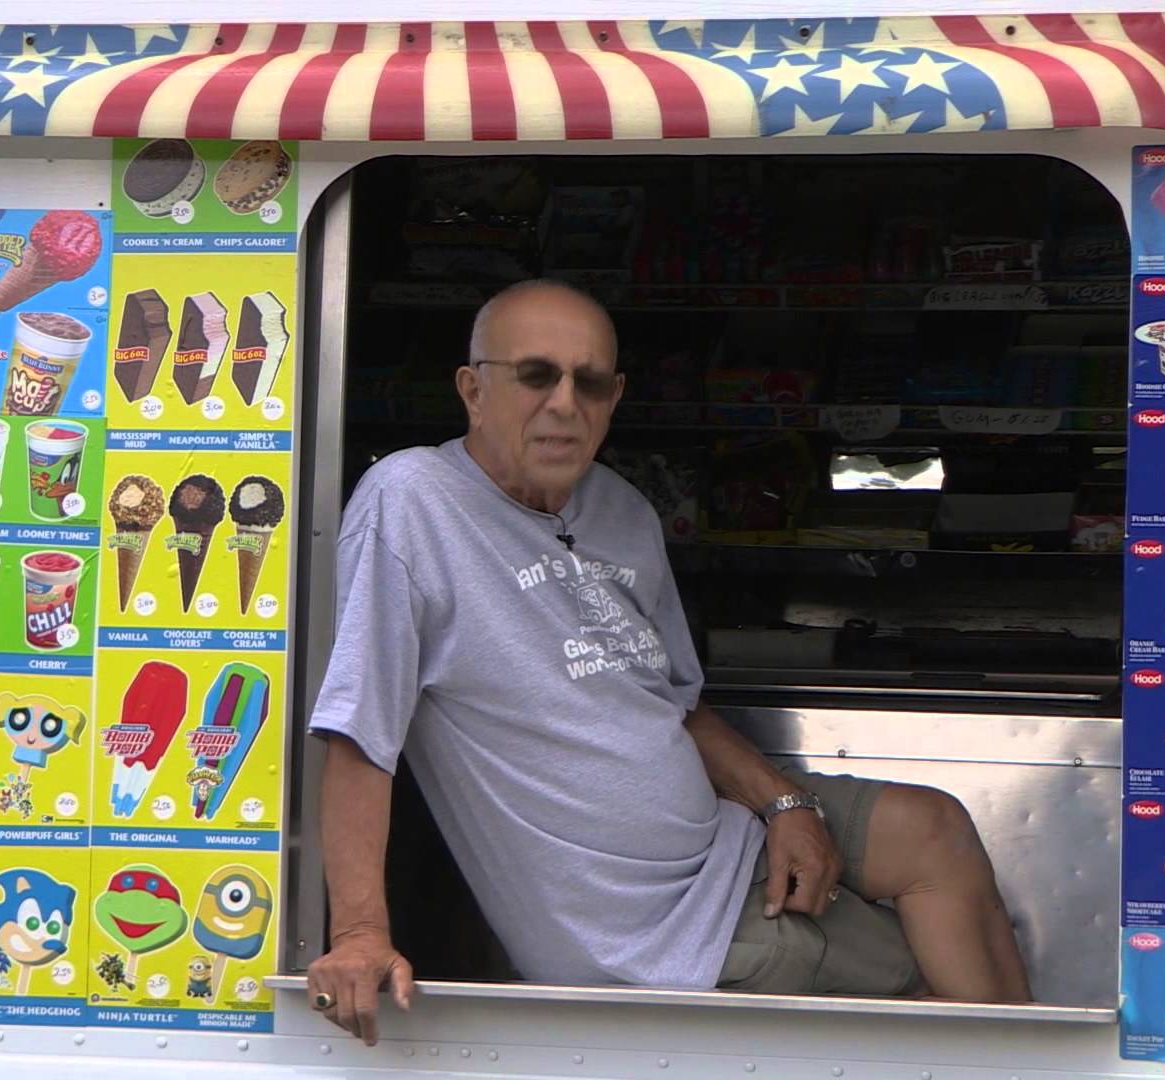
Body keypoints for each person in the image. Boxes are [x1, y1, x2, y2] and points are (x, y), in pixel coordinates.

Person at [304, 280, 1033, 1046]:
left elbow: (677, 704)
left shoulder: (621, 508)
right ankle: (1016, 1060)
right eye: (535, 374)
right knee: (936, 991)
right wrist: (358, 932)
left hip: (720, 837)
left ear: (614, 397)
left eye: (589, 382)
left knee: (935, 829)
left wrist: (783, 805)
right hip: (650, 927)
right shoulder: (412, 500)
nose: (563, 403)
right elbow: (362, 733)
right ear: (472, 389)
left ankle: (1032, 1060)